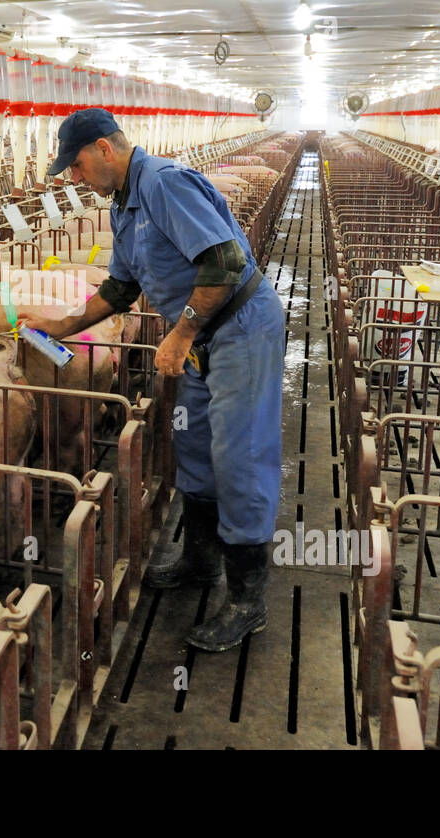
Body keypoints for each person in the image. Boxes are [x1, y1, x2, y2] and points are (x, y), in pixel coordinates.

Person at [21, 108, 285, 652]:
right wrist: (63, 325)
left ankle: (246, 601)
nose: (75, 178)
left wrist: (182, 333)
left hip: (239, 329)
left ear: (103, 149)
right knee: (192, 444)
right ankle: (200, 561)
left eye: (75, 166)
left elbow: (224, 259)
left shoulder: (164, 184)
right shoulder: (124, 204)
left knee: (240, 454)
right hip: (201, 336)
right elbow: (120, 288)